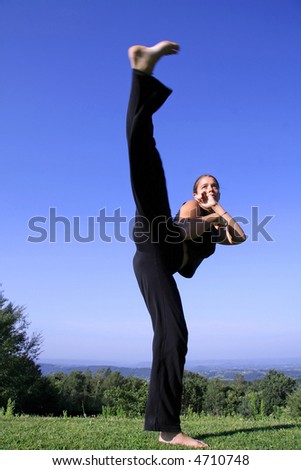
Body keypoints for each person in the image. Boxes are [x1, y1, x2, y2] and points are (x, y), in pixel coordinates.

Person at [126, 41, 246, 448]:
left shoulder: (215, 217)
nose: (208, 189)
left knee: (174, 335)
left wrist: (223, 210)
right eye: (203, 186)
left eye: (213, 186)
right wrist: (210, 211)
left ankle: (167, 429)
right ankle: (142, 77)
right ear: (194, 192)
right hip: (155, 238)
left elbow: (240, 238)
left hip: (156, 264)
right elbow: (189, 229)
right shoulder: (190, 209)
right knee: (146, 165)